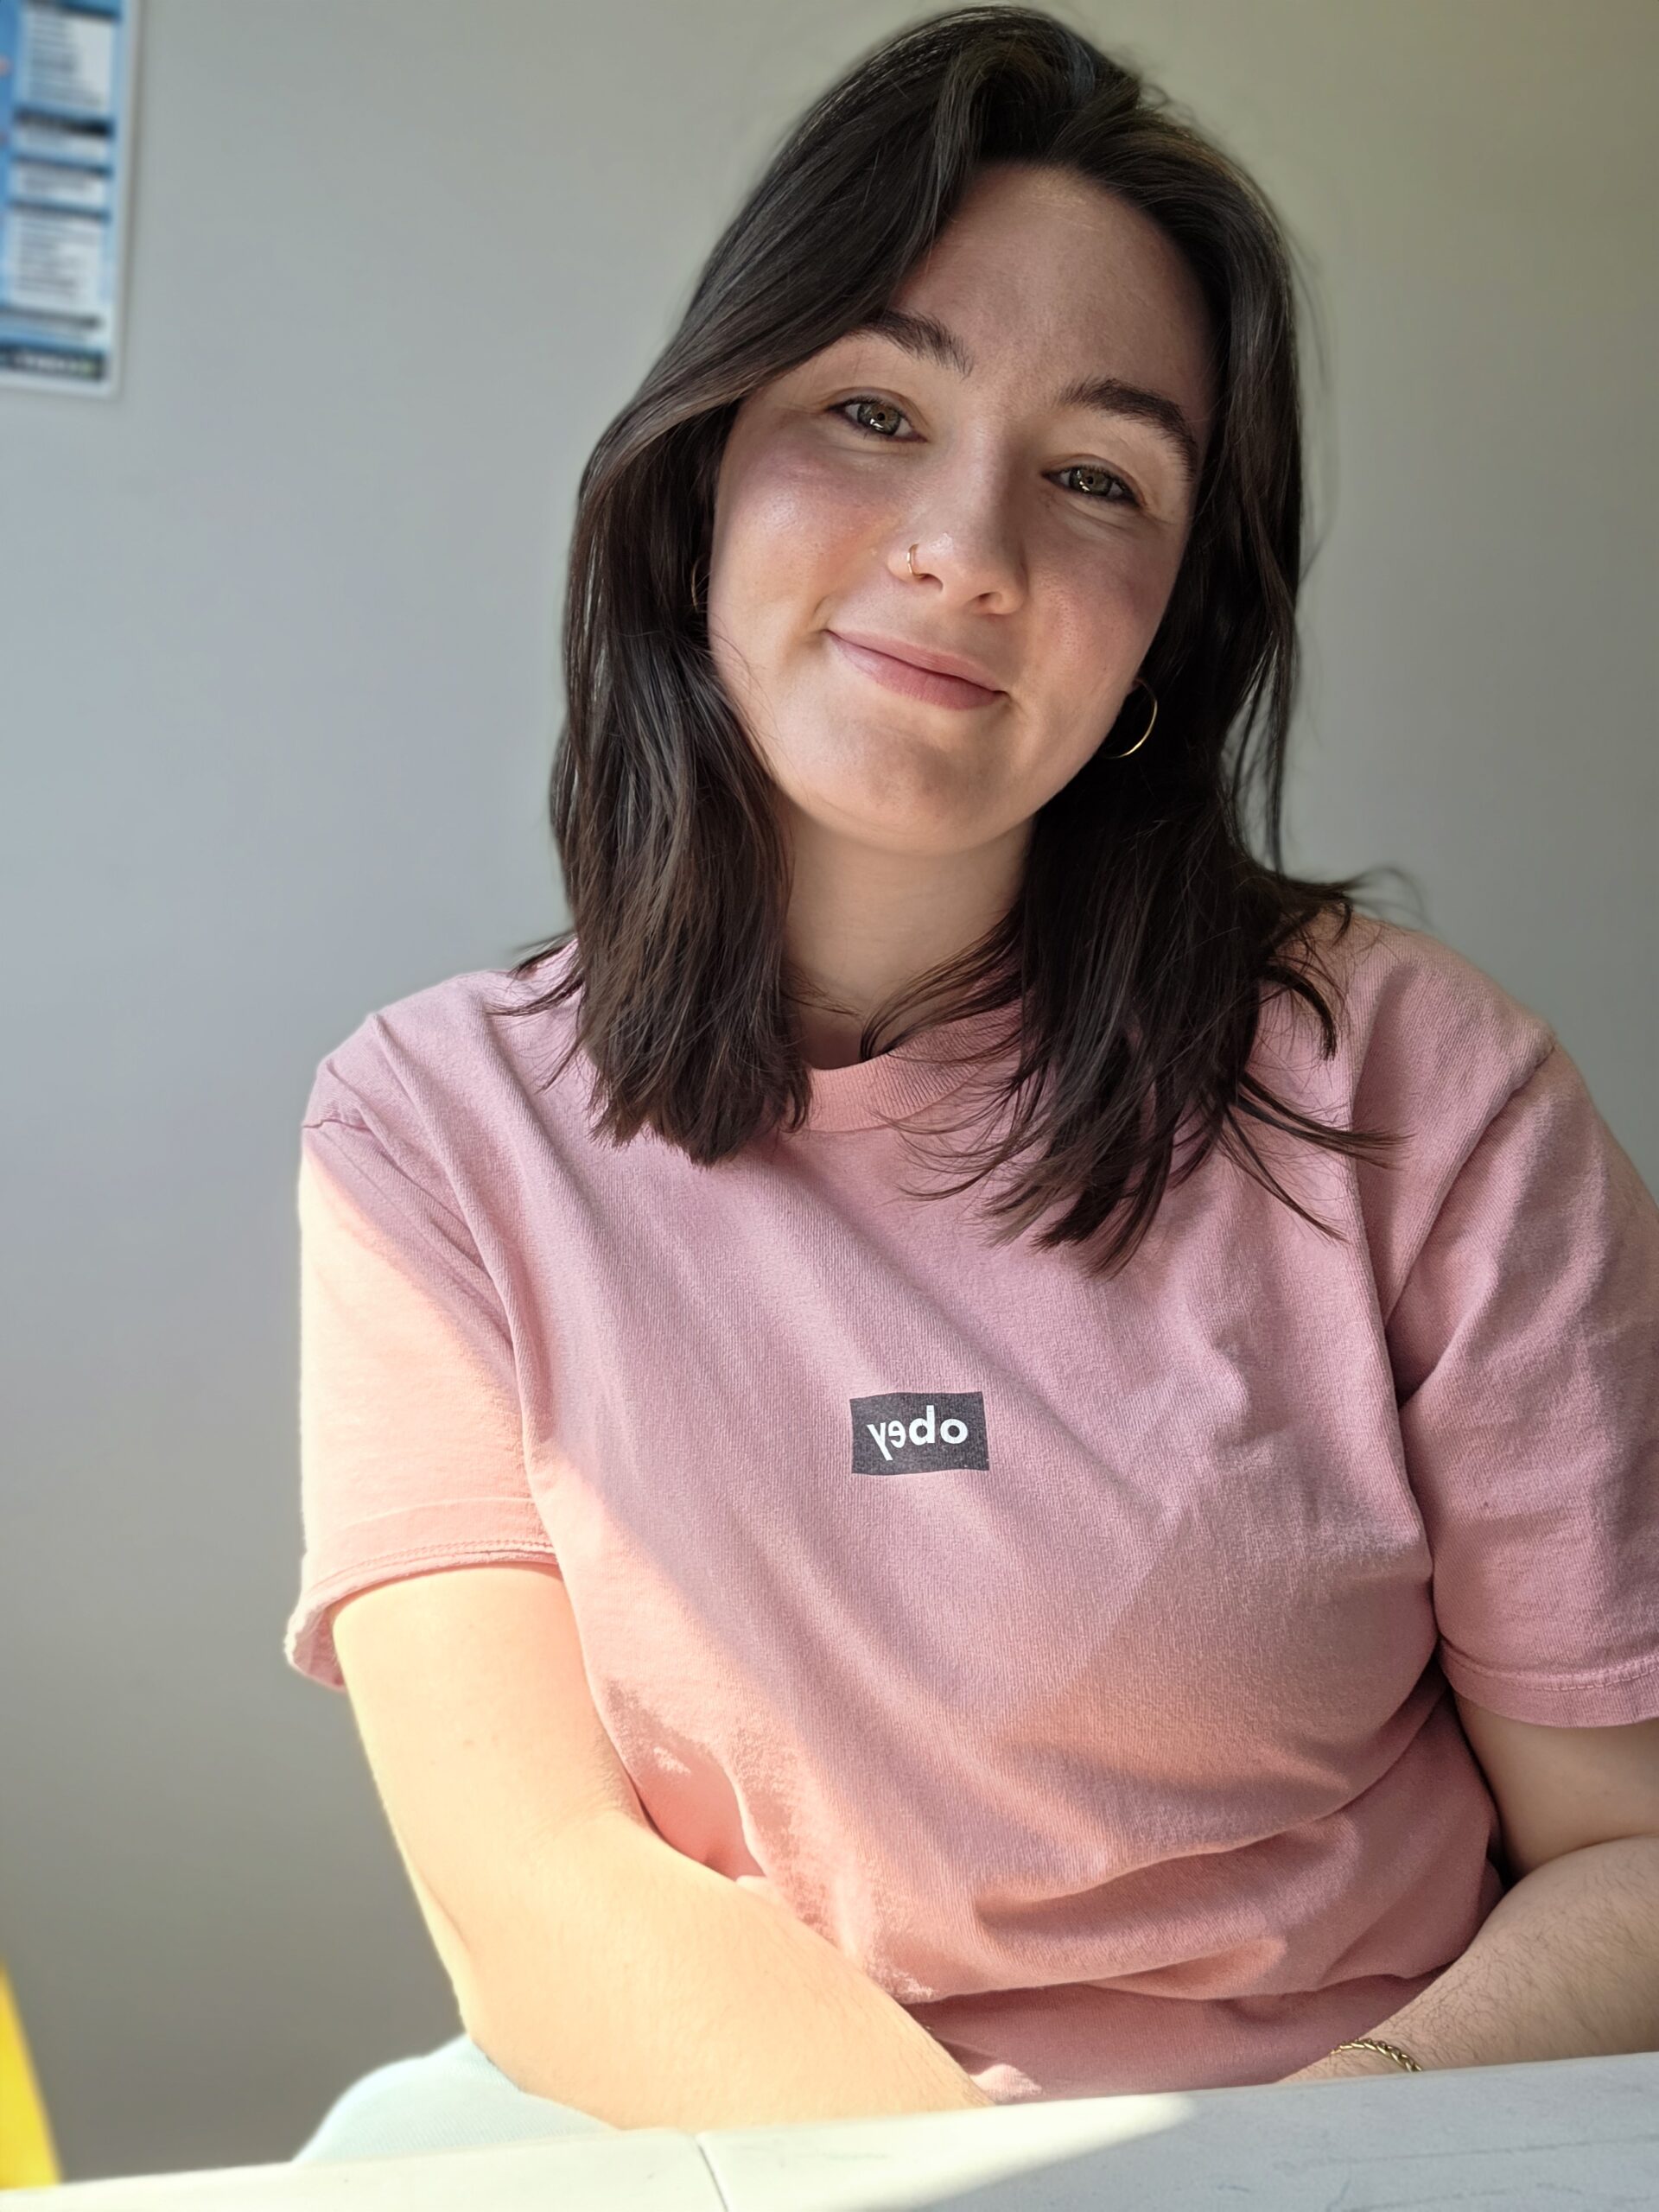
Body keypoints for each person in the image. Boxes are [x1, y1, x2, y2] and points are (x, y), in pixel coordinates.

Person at [284, 3, 1659, 2164]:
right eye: (874, 407)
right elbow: (537, 1900)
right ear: (704, 472)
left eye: (1098, 476)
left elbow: (1629, 1848)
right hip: (750, 2149)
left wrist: (1286, 2164)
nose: (968, 547)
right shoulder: (428, 1132)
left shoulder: (1425, 1091)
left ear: (1172, 626)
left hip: (1350, 2151)